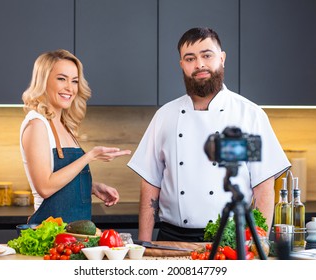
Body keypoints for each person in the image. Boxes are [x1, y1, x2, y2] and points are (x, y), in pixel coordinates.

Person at [127, 27, 290, 242]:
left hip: (231, 239)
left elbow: (263, 186)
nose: (199, 64)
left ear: (222, 58)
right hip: (171, 238)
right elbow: (150, 184)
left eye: (207, 55)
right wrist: (145, 244)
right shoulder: (165, 116)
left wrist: (259, 244)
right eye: (190, 58)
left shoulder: (248, 115)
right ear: (182, 65)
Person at [20, 49, 131, 224]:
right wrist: (90, 156)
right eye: (61, 79)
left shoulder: (64, 124)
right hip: (50, 238)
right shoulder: (37, 125)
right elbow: (45, 187)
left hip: (75, 237)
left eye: (75, 81)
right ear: (44, 81)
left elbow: (62, 182)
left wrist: (91, 188)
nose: (69, 88)